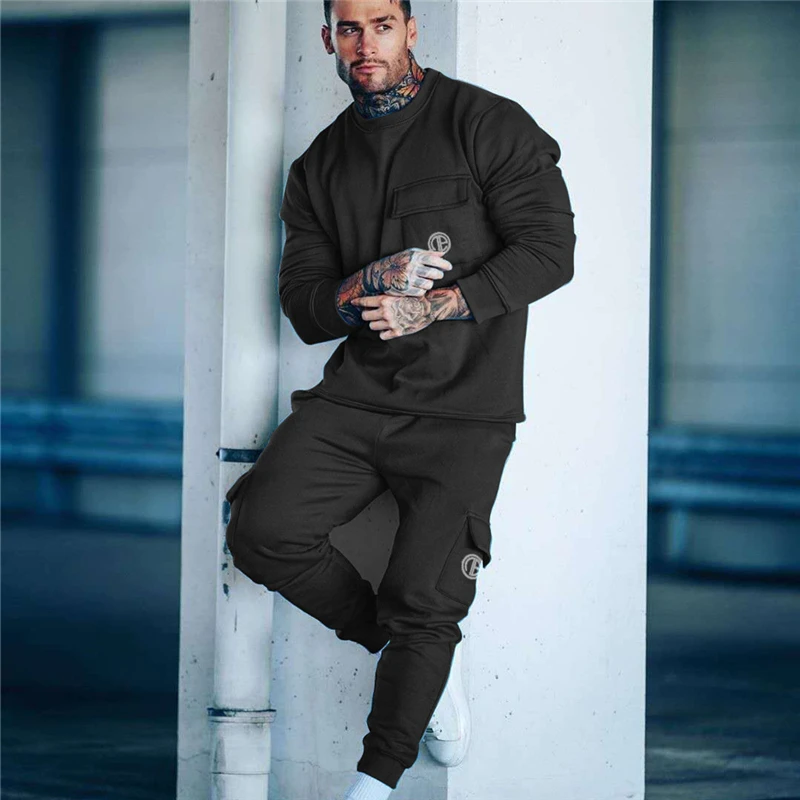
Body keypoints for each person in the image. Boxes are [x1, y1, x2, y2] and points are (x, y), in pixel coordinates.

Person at [224, 1, 576, 797]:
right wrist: (367, 282)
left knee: (427, 601)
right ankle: (404, 651)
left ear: (411, 30)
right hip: (356, 401)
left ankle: (376, 781)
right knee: (262, 532)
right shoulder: (319, 166)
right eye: (349, 28)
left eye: (381, 24)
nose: (365, 43)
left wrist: (436, 305)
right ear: (328, 39)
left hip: (467, 411)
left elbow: (551, 252)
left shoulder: (486, 124)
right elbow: (305, 308)